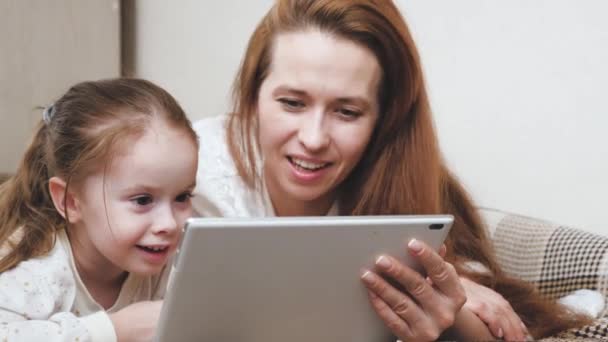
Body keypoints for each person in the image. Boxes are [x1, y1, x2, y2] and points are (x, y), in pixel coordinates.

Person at [193, 0, 592, 340]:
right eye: (292, 103)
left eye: (347, 112)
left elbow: (498, 321)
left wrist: (454, 302)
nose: (313, 138)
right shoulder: (192, 176)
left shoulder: (392, 177)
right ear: (252, 98)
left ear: (382, 120)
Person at [0, 78, 199, 341]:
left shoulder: (172, 262)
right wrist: (113, 330)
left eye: (182, 196)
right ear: (70, 201)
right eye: (142, 200)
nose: (170, 224)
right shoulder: (35, 272)